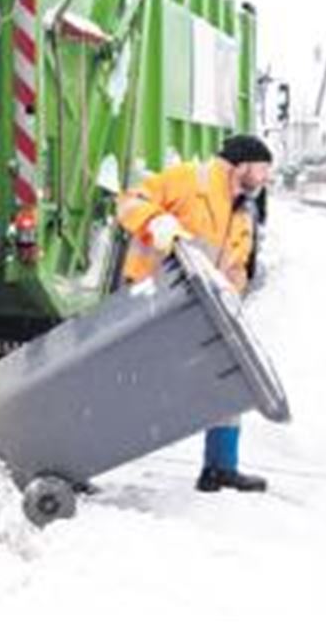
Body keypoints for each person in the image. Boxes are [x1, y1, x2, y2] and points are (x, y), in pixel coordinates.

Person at [117, 134, 273, 493]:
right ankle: (71, 460)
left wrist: (233, 302)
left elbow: (234, 269)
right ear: (243, 165)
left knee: (229, 379)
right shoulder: (188, 180)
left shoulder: (242, 211)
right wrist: (155, 221)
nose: (266, 178)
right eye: (263, 169)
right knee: (127, 387)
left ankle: (220, 467)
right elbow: (128, 202)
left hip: (196, 313)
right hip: (150, 305)